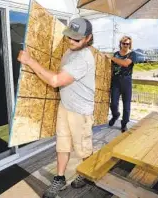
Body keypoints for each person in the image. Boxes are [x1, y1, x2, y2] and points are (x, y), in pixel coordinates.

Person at [18, 18, 95, 198]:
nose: (71, 41)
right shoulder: (69, 51)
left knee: (83, 149)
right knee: (62, 144)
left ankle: (88, 174)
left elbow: (55, 81)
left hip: (80, 111)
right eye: (70, 37)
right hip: (65, 106)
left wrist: (29, 61)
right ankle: (59, 178)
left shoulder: (84, 58)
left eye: (77, 39)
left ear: (88, 38)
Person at [106, 36, 137, 132]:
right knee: (113, 103)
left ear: (130, 44)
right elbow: (110, 67)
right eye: (124, 43)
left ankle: (124, 123)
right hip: (115, 81)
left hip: (126, 81)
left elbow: (125, 64)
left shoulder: (132, 54)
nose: (125, 45)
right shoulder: (116, 54)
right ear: (120, 44)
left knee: (126, 106)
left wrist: (112, 58)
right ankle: (115, 115)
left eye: (127, 43)